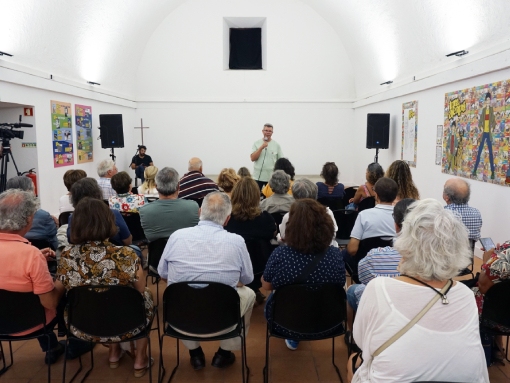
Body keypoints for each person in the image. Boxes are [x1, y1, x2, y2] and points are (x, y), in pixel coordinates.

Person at [348, 199, 489, 383]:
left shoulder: (379, 287)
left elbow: (361, 341)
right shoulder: (465, 295)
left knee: (354, 360)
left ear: (405, 242)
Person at [158, 192, 255, 371]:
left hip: (181, 319)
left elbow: (162, 274)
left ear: (200, 212)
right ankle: (224, 353)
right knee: (249, 293)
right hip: (223, 318)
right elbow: (248, 279)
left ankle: (195, 354)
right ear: (227, 219)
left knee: (179, 294)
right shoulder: (237, 242)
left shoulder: (177, 236)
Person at [57, 198, 154, 378]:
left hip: (83, 325)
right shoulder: (126, 254)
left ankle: (114, 353)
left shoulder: (67, 256)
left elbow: (59, 291)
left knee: (101, 300)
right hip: (127, 323)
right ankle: (140, 359)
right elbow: (140, 290)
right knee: (144, 296)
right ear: (109, 221)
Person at [262, 199, 345, 350]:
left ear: (291, 226)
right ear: (326, 225)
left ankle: (294, 337)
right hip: (328, 322)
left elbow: (266, 285)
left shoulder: (281, 254)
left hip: (285, 323)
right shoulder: (334, 255)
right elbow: (339, 284)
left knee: (275, 297)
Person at [0, 189, 66, 364]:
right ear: (29, 220)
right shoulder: (30, 255)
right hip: (30, 323)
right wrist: (62, 279)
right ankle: (70, 344)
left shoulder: (33, 255)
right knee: (61, 291)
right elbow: (50, 303)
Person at [345, 198, 415, 341]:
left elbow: (363, 278)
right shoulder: (434, 260)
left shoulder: (377, 255)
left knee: (352, 290)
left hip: (381, 309)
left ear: (396, 226)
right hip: (414, 314)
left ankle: (353, 336)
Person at [225, 176, 276, 303]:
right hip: (260, 269)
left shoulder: (227, 220)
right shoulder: (265, 219)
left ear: (235, 194)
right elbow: (273, 234)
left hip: (234, 268)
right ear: (256, 196)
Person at [341, 177, 397, 273]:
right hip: (394, 268)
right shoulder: (401, 216)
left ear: (376, 194)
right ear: (395, 196)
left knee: (343, 254)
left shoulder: (364, 215)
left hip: (365, 269)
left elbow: (352, 250)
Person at [469, 242, 510, 366]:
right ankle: (498, 348)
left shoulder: (504, 257)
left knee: (465, 294)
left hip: (498, 318)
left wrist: (486, 262)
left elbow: (483, 286)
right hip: (504, 312)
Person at [139, 167, 199, 242]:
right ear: (178, 187)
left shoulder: (144, 211)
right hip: (185, 252)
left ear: (156, 187)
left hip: (157, 253)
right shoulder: (193, 207)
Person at [68, 178, 132, 247]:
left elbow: (71, 240)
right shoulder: (113, 214)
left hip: (81, 255)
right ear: (97, 194)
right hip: (113, 253)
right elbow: (128, 241)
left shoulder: (72, 218)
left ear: (74, 198)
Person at [278, 178, 338, 247]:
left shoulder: (288, 216)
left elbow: (284, 238)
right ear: (315, 194)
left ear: (295, 196)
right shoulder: (327, 213)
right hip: (323, 253)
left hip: (296, 254)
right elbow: (333, 236)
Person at [6, 176, 58, 250]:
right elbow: (54, 244)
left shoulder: (3, 217)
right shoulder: (43, 216)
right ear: (28, 192)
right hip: (43, 258)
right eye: (34, 189)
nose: (35, 193)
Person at [443, 177, 482, 246]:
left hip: (446, 255)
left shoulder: (443, 214)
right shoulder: (476, 213)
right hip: (468, 255)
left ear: (447, 197)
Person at [251, 123, 284, 190]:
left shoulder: (276, 145)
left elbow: (281, 161)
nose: (268, 132)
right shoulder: (256, 143)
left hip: (271, 178)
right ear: (262, 131)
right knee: (255, 197)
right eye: (266, 130)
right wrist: (261, 147)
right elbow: (252, 158)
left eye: (270, 131)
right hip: (257, 177)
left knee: (270, 198)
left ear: (272, 133)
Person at [472, 92, 496, 179]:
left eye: (489, 100)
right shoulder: (483, 110)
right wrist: (481, 127)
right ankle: (474, 170)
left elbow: (493, 121)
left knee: (490, 154)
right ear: (485, 101)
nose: (488, 101)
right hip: (483, 134)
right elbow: (480, 122)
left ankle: (493, 172)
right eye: (487, 100)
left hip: (488, 134)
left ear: (490, 100)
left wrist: (493, 128)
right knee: (479, 152)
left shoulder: (491, 110)